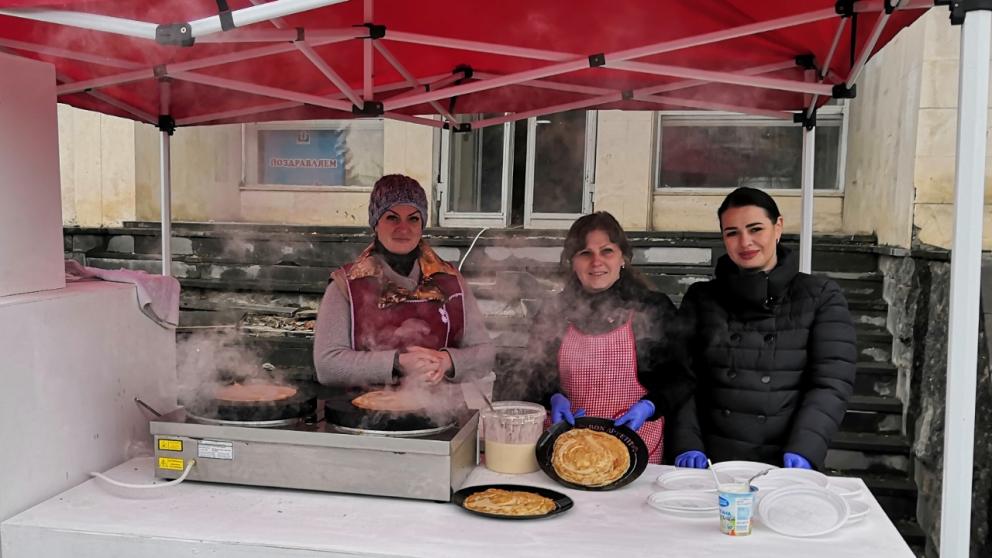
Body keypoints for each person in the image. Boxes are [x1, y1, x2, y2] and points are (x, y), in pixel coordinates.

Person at [670, 187, 856, 470]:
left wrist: (805, 448)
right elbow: (681, 376)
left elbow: (831, 383)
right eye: (732, 233)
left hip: (783, 463)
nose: (745, 242)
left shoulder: (820, 295)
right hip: (709, 465)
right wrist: (686, 443)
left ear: (778, 226)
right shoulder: (701, 297)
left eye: (755, 229)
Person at [523, 211, 693, 463]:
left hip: (635, 446)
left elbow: (681, 376)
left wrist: (650, 406)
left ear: (623, 257)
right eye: (585, 253)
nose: (596, 262)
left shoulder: (653, 308)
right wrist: (552, 397)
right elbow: (534, 374)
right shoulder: (554, 312)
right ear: (572, 262)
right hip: (567, 446)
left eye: (607, 251)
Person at [313, 174, 495, 388]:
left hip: (442, 413)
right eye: (392, 218)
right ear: (375, 224)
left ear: (422, 225)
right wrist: (397, 363)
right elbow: (327, 365)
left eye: (413, 218)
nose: (403, 228)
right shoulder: (347, 285)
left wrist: (447, 361)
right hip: (363, 415)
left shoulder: (450, 281)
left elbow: (485, 355)